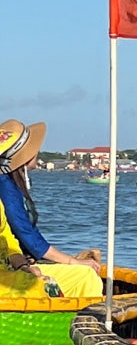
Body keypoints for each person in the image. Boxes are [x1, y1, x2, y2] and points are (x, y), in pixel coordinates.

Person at [0, 120, 103, 298]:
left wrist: (21, 264)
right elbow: (25, 231)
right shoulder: (6, 187)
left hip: (12, 267)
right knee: (42, 287)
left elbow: (8, 236)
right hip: (5, 278)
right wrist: (71, 261)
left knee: (86, 277)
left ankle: (83, 324)